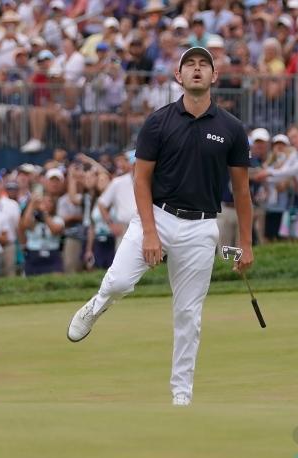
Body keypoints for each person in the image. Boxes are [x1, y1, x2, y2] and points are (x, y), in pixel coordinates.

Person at [66, 46, 254, 408]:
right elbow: (140, 180)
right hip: (158, 216)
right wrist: (151, 232)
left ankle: (181, 393)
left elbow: (242, 192)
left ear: (215, 77)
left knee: (188, 316)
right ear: (178, 77)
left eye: (204, 65)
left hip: (201, 227)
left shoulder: (231, 128)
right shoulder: (158, 121)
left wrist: (245, 243)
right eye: (190, 65)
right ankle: (97, 304)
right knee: (120, 281)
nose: (197, 70)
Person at [20, 193, 65, 276]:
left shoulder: (57, 219)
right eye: (43, 202)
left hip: (52, 255)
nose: (46, 204)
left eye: (49, 202)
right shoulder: (33, 220)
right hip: (33, 254)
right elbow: (25, 224)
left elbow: (55, 230)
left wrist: (44, 214)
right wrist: (32, 205)